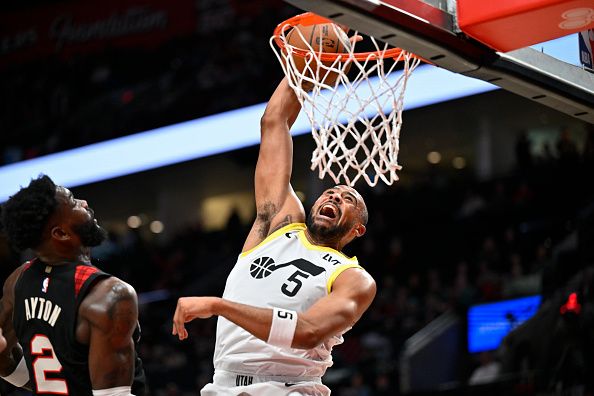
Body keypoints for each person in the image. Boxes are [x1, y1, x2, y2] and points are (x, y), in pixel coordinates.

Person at [172, 78, 377, 395]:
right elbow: (274, 121)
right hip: (222, 385)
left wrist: (219, 305)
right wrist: (303, 64)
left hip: (290, 389)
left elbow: (307, 332)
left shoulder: (354, 279)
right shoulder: (278, 225)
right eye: (330, 193)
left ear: (357, 229)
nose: (335, 198)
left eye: (349, 200)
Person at [0, 175, 146, 395]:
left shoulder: (18, 281)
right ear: (61, 233)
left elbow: (2, 354)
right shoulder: (109, 294)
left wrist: (49, 387)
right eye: (74, 202)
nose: (85, 203)